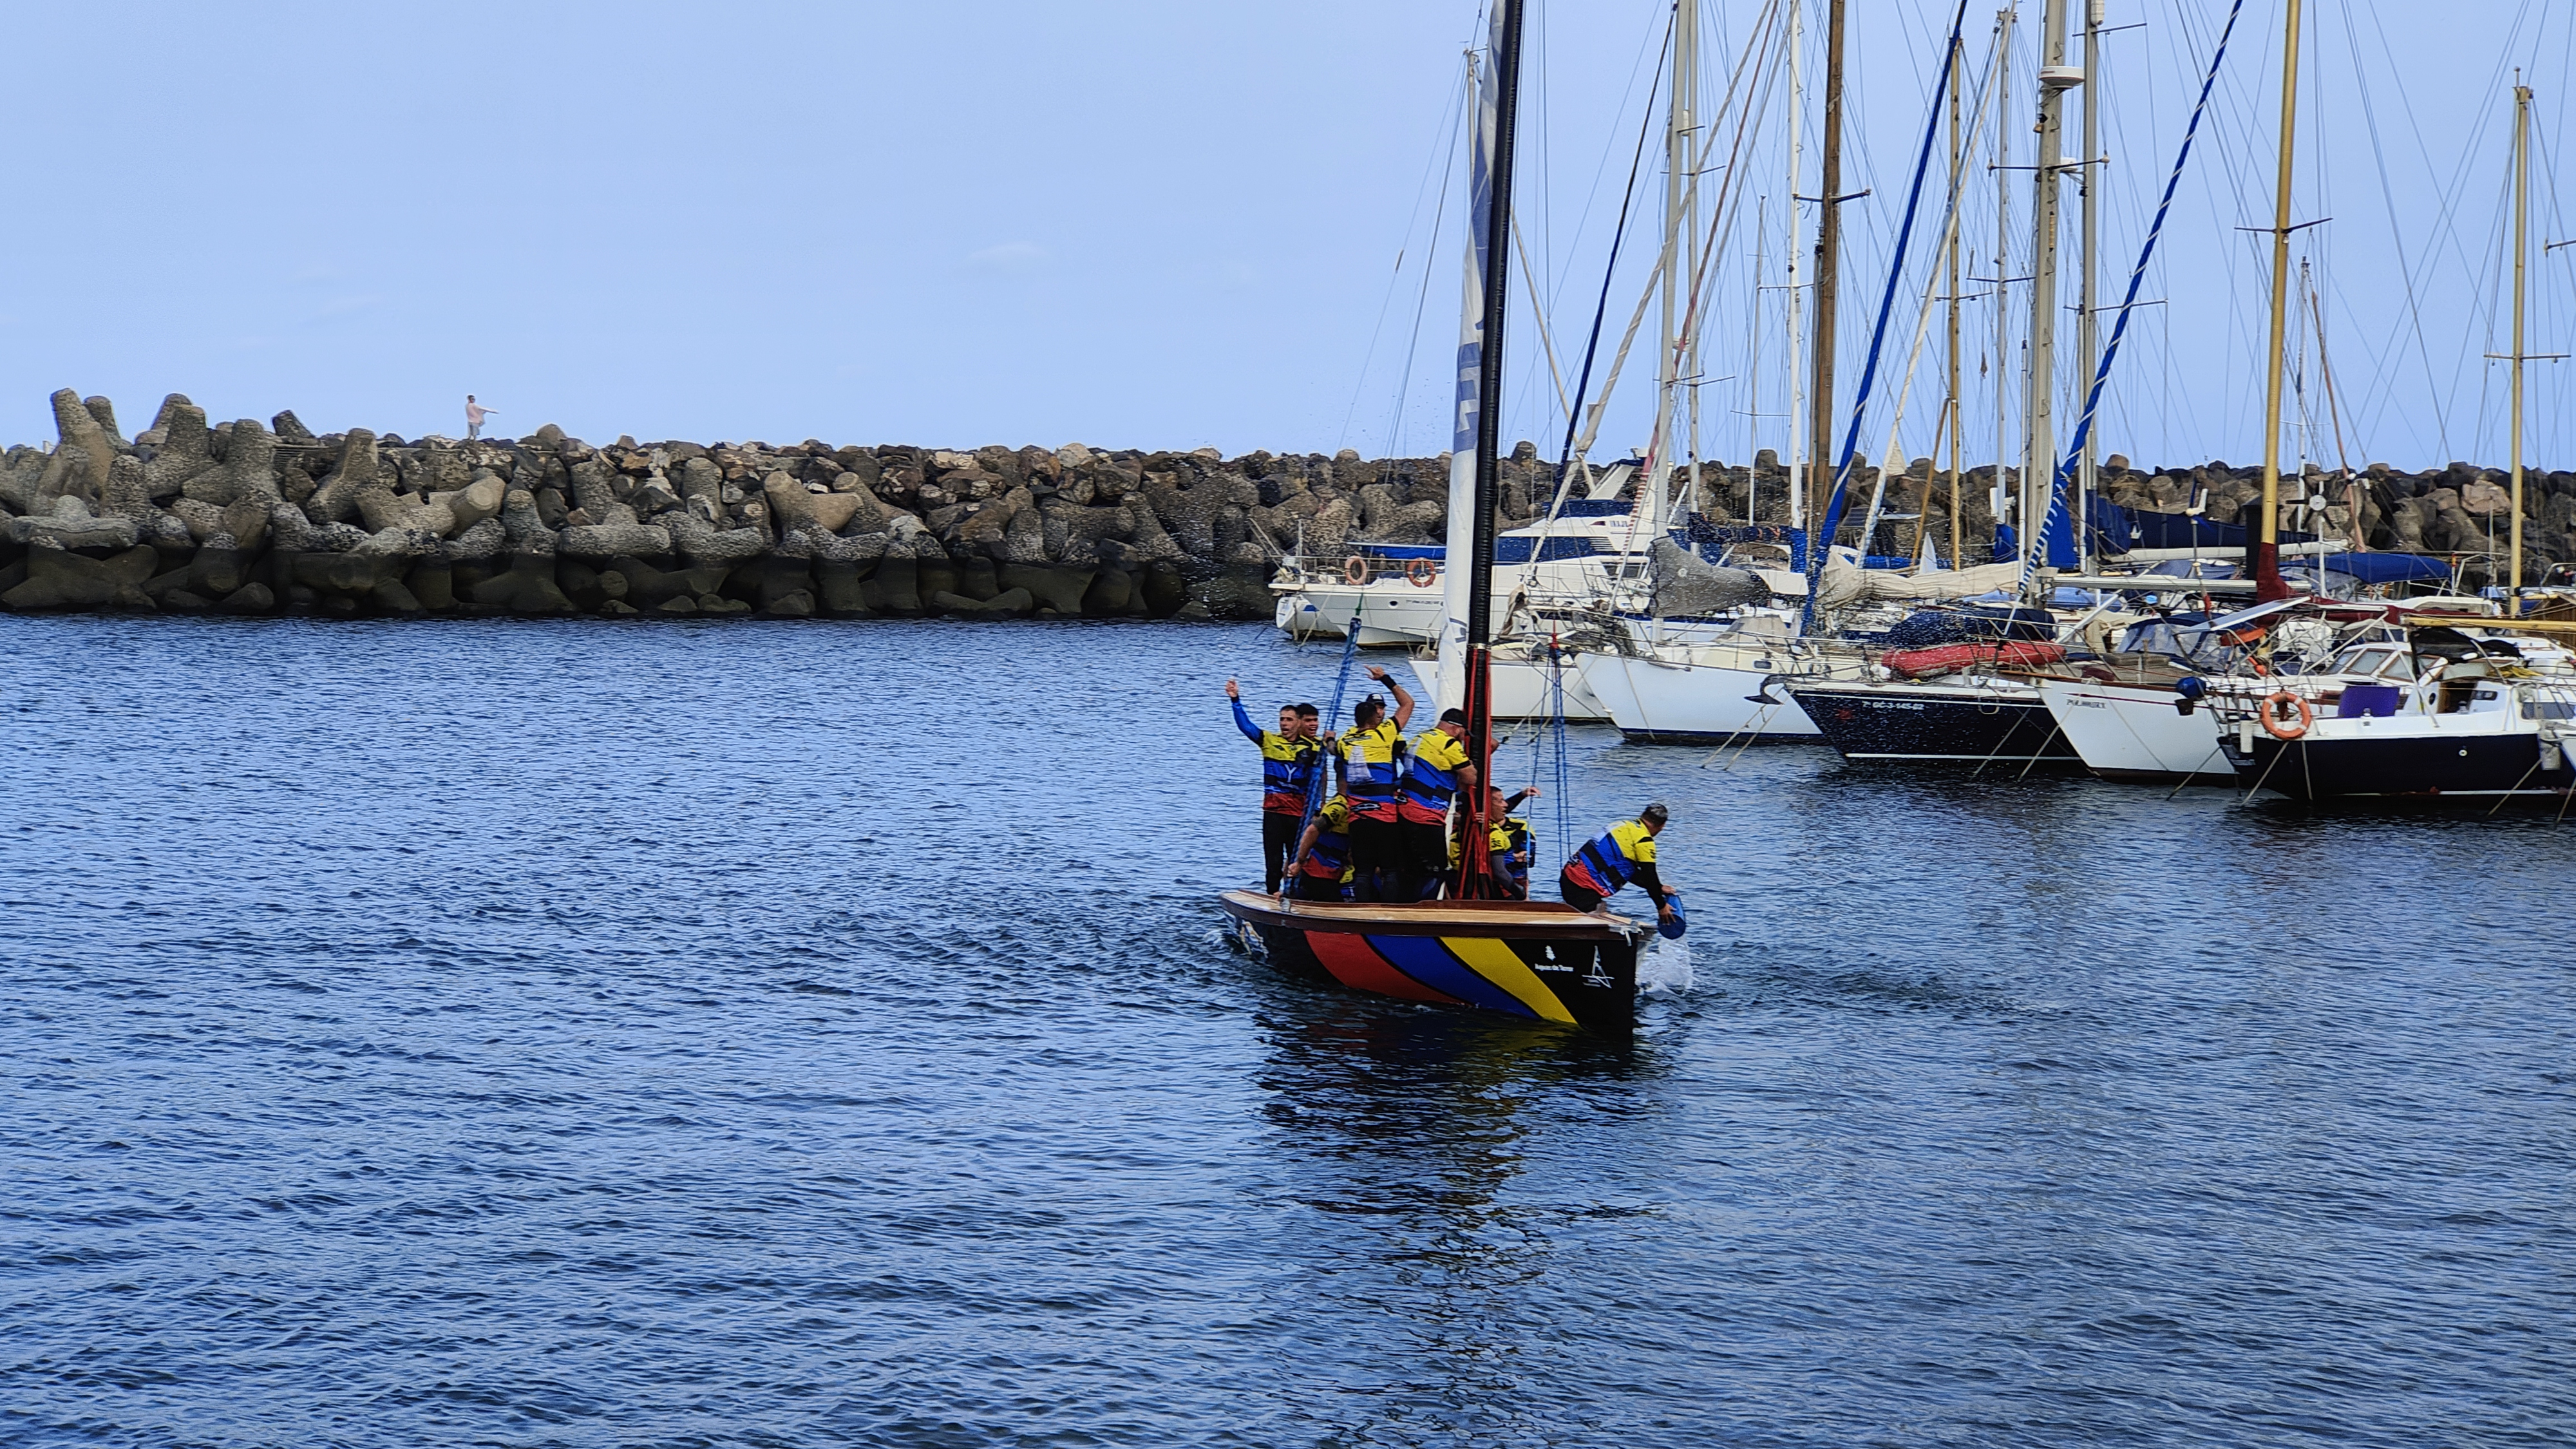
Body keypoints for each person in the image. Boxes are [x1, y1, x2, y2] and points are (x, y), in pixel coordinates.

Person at [1226, 679, 1323, 893]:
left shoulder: (1315, 747)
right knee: (1273, 861)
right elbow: (1246, 726)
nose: (1284, 724)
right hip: (1274, 812)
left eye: (1289, 720)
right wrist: (1235, 700)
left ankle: (1295, 895)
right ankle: (1271, 895)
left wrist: (1318, 809)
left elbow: (1322, 777)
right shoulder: (1268, 741)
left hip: (1299, 814)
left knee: (1297, 859)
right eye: (1281, 719)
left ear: (1299, 723)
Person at [1336, 665, 1414, 901]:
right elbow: (1408, 704)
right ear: (1374, 718)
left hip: (1358, 816)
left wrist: (1329, 739)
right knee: (1390, 869)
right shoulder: (1384, 733)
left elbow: (1334, 751)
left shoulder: (1346, 740)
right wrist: (1385, 679)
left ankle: (1362, 912)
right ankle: (1388, 912)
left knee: (1363, 871)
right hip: (1384, 815)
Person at [1396, 706, 1477, 900]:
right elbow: (1471, 777)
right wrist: (1471, 765)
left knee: (1408, 868)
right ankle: (1425, 912)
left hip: (1403, 810)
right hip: (1426, 815)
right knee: (1436, 868)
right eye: (1464, 734)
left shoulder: (1420, 737)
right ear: (1457, 729)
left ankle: (1401, 910)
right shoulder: (1448, 743)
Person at [1559, 801, 1680, 931]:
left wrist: (1658, 888)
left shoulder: (1621, 825)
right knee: (1594, 928)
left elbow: (1626, 871)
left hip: (1569, 878)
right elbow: (1649, 875)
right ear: (1662, 826)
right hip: (1583, 887)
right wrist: (1661, 907)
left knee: (1599, 912)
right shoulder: (1644, 841)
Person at [1285, 791, 1357, 902]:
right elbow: (1312, 831)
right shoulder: (1339, 806)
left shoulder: (1352, 807)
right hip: (1319, 873)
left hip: (1332, 873)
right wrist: (1299, 862)